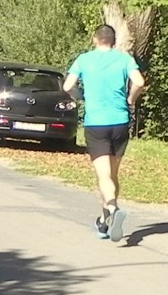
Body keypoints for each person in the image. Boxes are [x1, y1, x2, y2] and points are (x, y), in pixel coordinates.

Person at [63, 24, 146, 243]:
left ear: (94, 39)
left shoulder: (84, 59)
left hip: (96, 123)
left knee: (103, 175)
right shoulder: (124, 59)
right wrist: (131, 99)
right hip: (120, 122)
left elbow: (67, 86)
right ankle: (104, 221)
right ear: (113, 40)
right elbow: (139, 82)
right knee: (112, 175)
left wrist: (80, 96)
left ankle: (113, 207)